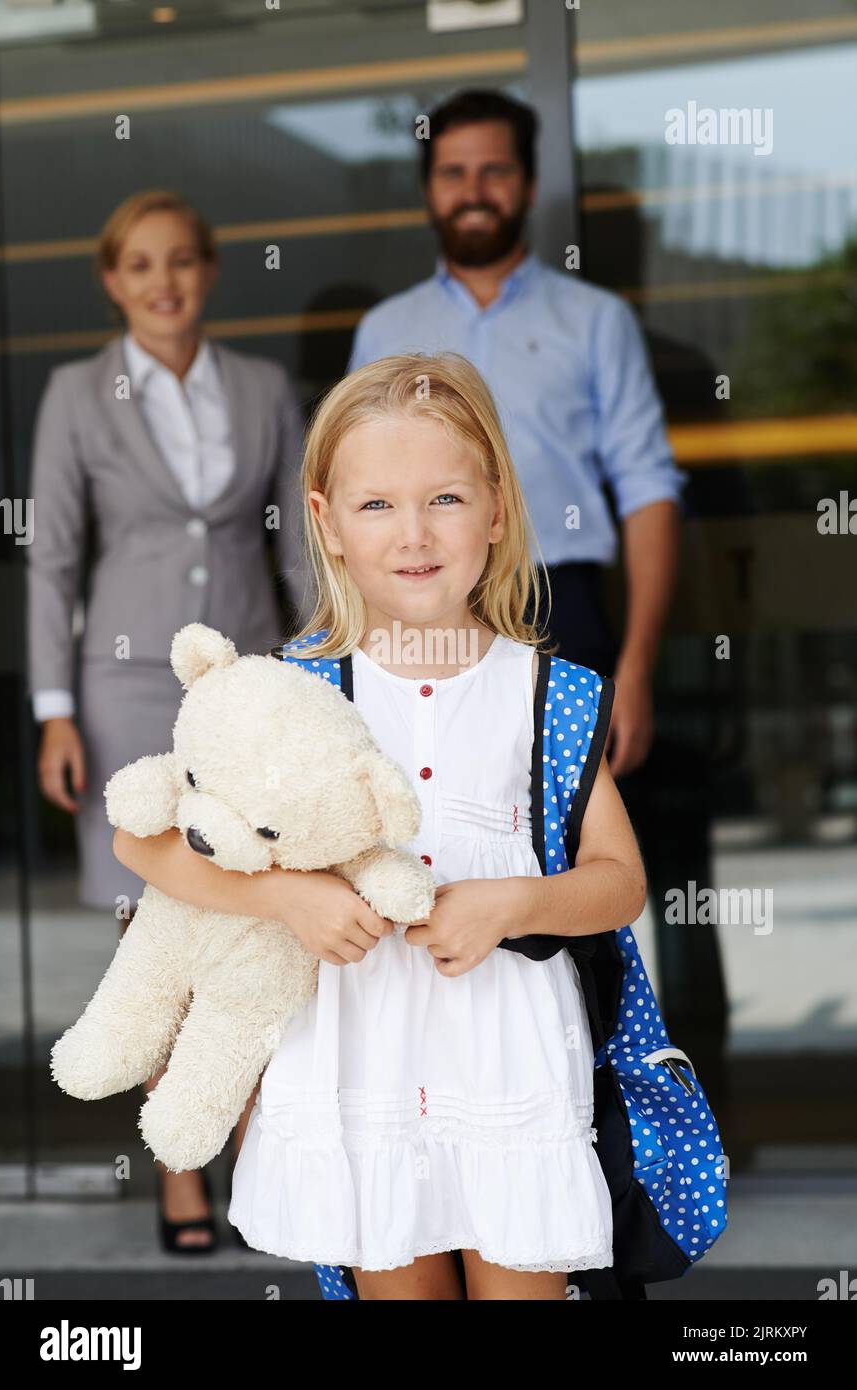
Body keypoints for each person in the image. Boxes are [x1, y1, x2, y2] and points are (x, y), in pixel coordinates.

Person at [113, 351, 647, 1299]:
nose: (413, 534)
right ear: (325, 522)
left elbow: (619, 881)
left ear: (496, 505)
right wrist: (290, 896)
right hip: (361, 1068)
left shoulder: (545, 695)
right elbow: (145, 843)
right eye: (375, 506)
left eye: (443, 498)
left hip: (506, 1065)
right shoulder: (286, 693)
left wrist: (514, 902)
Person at [346, 91, 728, 1105]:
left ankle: (609, 1116)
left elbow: (648, 488)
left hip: (572, 610)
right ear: (430, 187)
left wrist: (633, 667)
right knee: (426, 844)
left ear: (527, 183)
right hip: (418, 618)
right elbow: (360, 508)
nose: (473, 190)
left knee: (599, 870)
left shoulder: (593, 320)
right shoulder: (387, 330)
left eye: (494, 170)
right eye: (453, 170)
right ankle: (435, 1101)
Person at [27, 189, 309, 1252]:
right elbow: (53, 558)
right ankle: (179, 1172)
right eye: (140, 265)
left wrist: (316, 676)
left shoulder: (264, 387)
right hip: (127, 687)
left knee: (253, 916)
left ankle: (252, 1151)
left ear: (209, 270)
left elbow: (294, 548)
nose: (163, 282)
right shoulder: (74, 392)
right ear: (112, 279)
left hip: (240, 685)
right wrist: (56, 710)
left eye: (181, 260)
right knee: (154, 932)